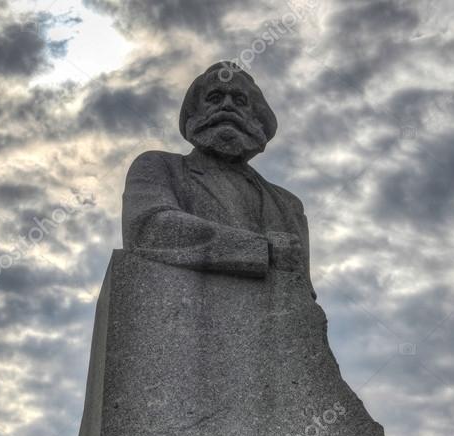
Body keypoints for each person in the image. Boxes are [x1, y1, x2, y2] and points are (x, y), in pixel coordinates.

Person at [123, 62, 314, 292]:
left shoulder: (288, 205)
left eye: (239, 101)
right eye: (214, 98)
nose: (227, 106)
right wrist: (263, 250)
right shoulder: (159, 166)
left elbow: (302, 291)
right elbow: (148, 228)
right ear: (194, 114)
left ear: (257, 119)